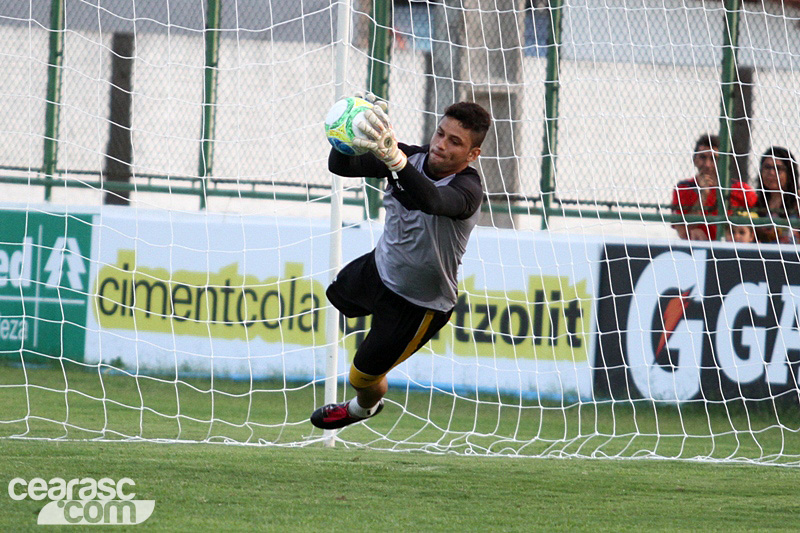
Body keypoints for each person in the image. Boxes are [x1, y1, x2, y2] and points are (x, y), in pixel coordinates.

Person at [310, 97, 492, 430]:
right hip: (379, 269)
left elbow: (432, 200)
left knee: (361, 377)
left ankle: (362, 408)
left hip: (419, 303)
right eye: (440, 134)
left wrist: (394, 160)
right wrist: (345, 132)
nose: (441, 145)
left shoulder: (468, 189)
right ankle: (374, 346)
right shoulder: (410, 156)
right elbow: (340, 166)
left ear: (472, 154)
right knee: (335, 296)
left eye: (455, 142)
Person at [671, 134, 757, 240]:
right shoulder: (684, 188)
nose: (707, 164)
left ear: (724, 162)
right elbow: (682, 232)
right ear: (695, 160)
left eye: (714, 159)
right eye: (703, 157)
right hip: (698, 249)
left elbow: (761, 223)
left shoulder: (740, 189)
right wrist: (703, 195)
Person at [752, 146, 800, 244]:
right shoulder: (754, 202)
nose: (771, 173)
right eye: (767, 167)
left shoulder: (797, 201)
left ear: (789, 173)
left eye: (778, 168)